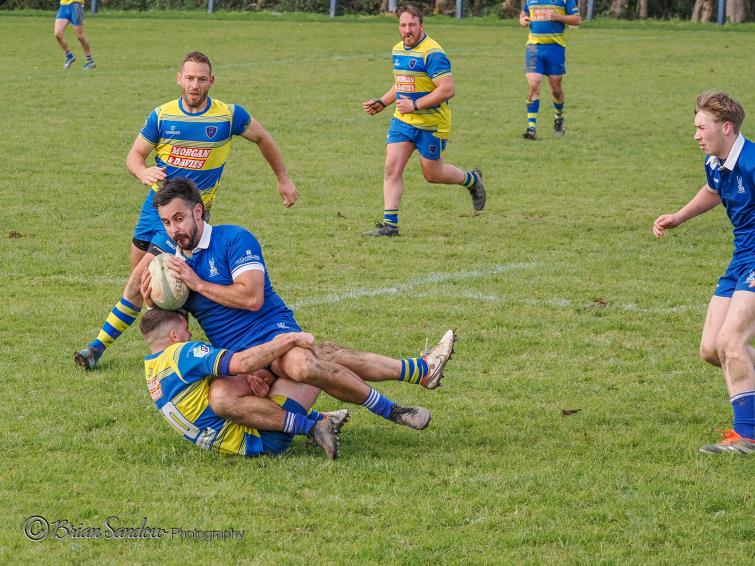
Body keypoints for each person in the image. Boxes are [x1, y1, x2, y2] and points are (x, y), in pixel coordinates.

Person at [141, 178, 457, 442]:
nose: (173, 230)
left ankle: (394, 410)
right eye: (167, 222)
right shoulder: (175, 267)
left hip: (271, 331)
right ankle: (416, 373)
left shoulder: (233, 238)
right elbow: (174, 324)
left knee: (304, 366)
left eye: (179, 219)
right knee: (223, 399)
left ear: (198, 211)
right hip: (241, 359)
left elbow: (252, 297)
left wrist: (198, 283)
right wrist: (154, 300)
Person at [74, 51, 299, 370]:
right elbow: (134, 156)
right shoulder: (162, 116)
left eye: (201, 78)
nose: (195, 84)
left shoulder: (228, 116)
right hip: (154, 211)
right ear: (179, 78)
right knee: (148, 288)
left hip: (187, 220)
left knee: (142, 280)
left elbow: (263, 138)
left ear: (211, 81)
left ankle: (97, 348)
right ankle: (171, 345)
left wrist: (283, 178)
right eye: (189, 78)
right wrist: (142, 172)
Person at [653, 91, 755, 454]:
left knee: (732, 342)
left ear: (726, 128)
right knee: (713, 349)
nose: (696, 135)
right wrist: (680, 216)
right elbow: (714, 190)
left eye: (701, 127)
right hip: (741, 258)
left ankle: (747, 436)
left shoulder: (753, 162)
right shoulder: (716, 162)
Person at [140, 308, 349, 459]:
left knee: (237, 380)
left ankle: (320, 417)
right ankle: (313, 426)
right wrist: (289, 340)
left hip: (242, 440)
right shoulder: (181, 353)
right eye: (186, 330)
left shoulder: (153, 372)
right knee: (308, 363)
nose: (190, 335)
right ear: (174, 336)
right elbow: (243, 362)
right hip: (264, 436)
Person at [361, 4, 486, 237]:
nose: (407, 30)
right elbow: (402, 83)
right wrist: (383, 102)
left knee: (432, 174)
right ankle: (390, 226)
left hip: (432, 123)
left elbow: (448, 90)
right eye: (403, 25)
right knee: (391, 168)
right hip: (404, 121)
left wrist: (415, 105)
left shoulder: (433, 53)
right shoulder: (398, 50)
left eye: (412, 25)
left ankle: (471, 180)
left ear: (421, 25)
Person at [518, 0, 581, 140]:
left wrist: (558, 17)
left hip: (555, 48)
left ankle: (558, 118)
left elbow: (577, 20)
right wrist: (523, 20)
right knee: (533, 84)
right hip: (534, 48)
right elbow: (523, 14)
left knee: (555, 89)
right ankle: (531, 128)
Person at [54, 0, 95, 70]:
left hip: (76, 5)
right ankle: (69, 56)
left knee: (80, 36)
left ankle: (90, 61)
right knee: (58, 34)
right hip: (64, 5)